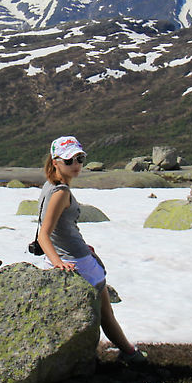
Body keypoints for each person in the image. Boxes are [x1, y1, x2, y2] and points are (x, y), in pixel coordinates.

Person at [37, 135, 145, 365]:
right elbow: (43, 234)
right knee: (106, 314)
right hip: (76, 261)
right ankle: (132, 356)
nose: (76, 166)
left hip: (64, 255)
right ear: (55, 162)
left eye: (79, 159)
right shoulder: (61, 192)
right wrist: (59, 262)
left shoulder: (50, 186)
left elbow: (55, 230)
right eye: (69, 161)